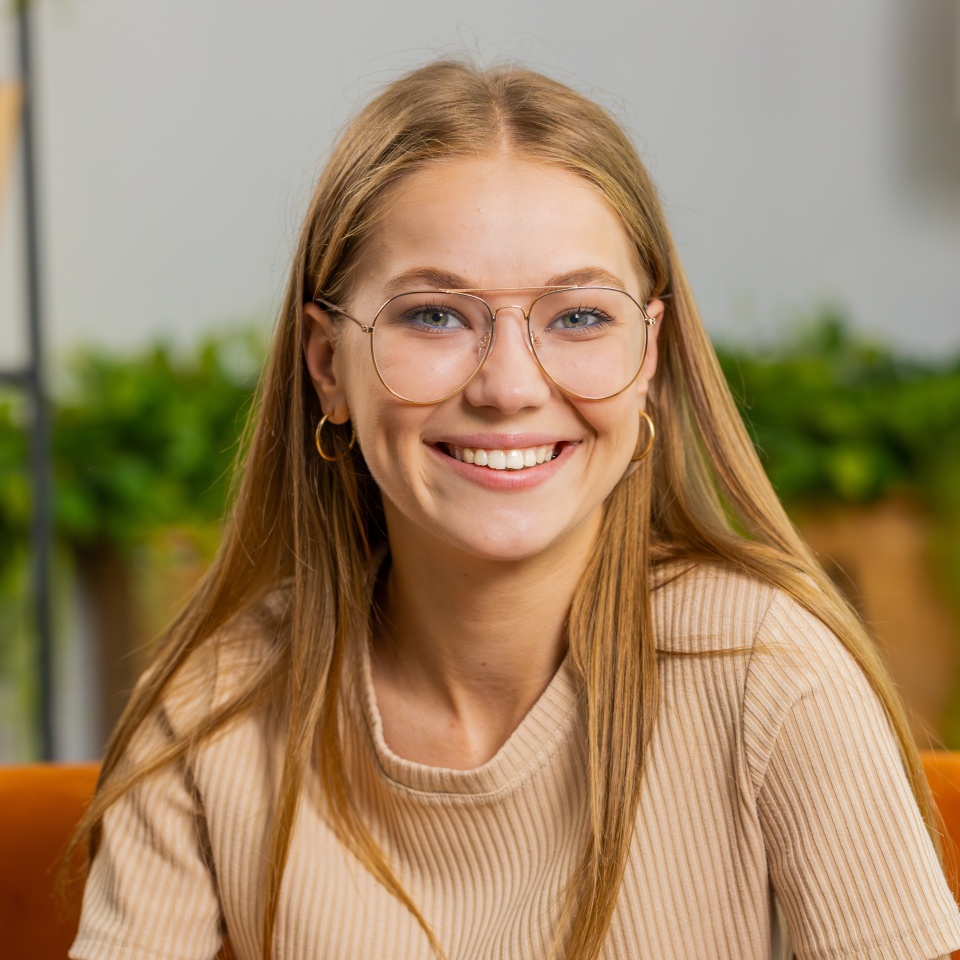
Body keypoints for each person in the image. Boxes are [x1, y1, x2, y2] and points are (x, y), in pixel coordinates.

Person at [68, 59, 960, 960]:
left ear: (649, 356)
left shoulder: (769, 671)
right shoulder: (213, 707)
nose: (508, 388)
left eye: (577, 317)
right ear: (328, 364)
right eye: (435, 317)